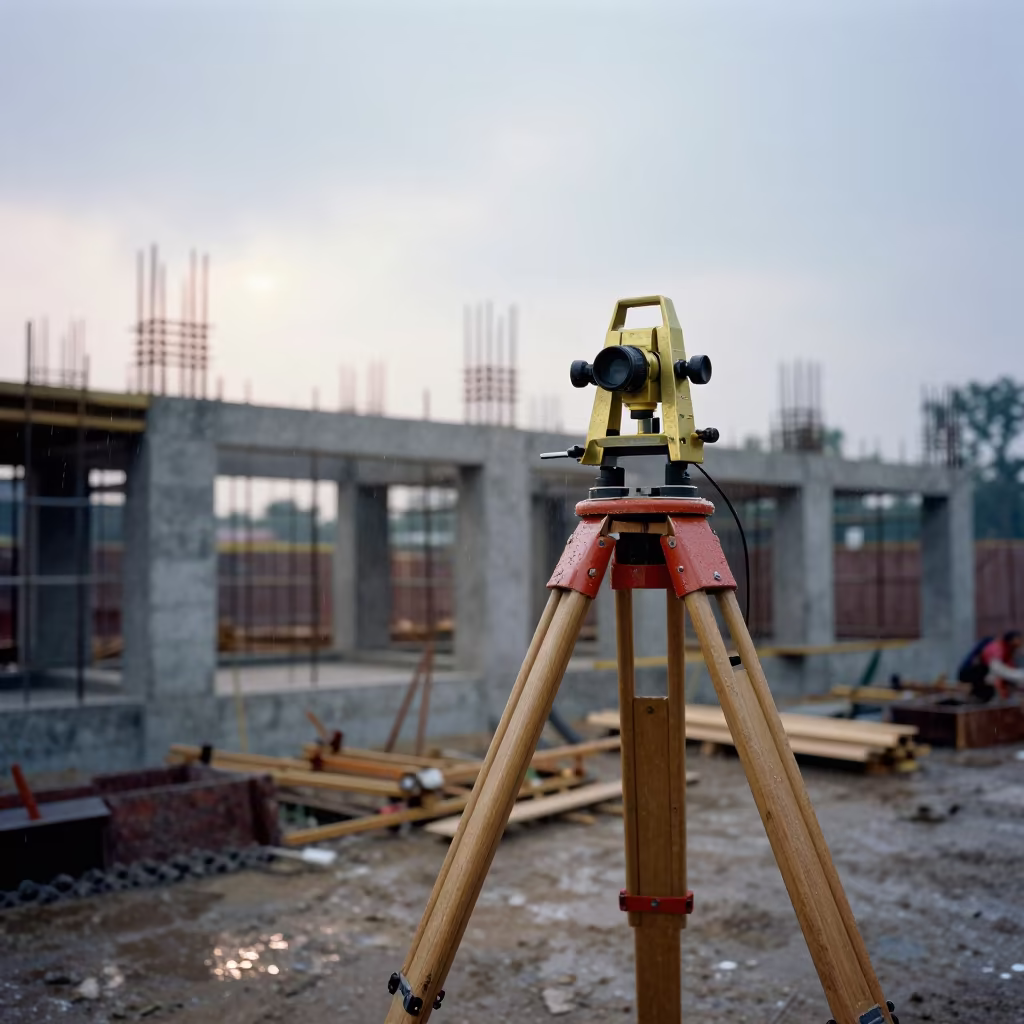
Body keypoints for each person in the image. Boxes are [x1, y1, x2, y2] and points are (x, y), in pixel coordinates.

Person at [957, 629, 1024, 701]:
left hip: (982, 676)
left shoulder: (1008, 653)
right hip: (969, 673)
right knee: (989, 686)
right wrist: (1019, 676)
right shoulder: (996, 647)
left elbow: (1008, 669)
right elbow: (996, 668)